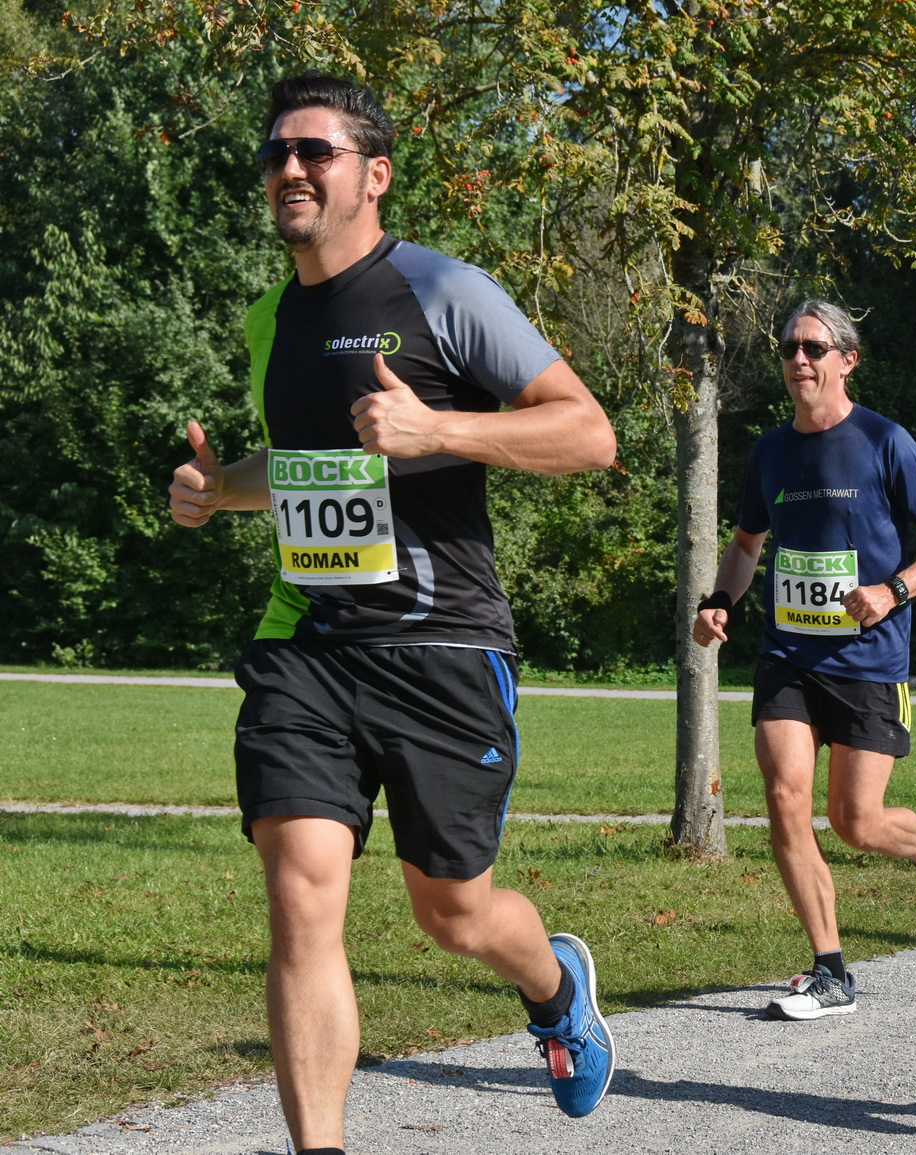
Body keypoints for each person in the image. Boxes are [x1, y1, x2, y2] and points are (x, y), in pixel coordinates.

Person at [165, 73, 621, 1150]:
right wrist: (218, 491)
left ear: (372, 174)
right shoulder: (270, 315)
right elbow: (307, 464)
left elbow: (588, 435)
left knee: (450, 913)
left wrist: (442, 433)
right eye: (276, 151)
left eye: (314, 151)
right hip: (307, 646)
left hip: (444, 646)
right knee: (301, 896)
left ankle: (555, 990)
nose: (289, 168)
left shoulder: (445, 291)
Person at [691, 299, 916, 1021]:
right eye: (789, 347)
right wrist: (718, 598)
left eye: (814, 348)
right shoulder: (769, 451)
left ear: (847, 359)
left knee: (856, 820)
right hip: (789, 654)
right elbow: (748, 543)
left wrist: (895, 589)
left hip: (870, 659)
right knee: (786, 798)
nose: (799, 360)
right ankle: (830, 970)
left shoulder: (885, 441)